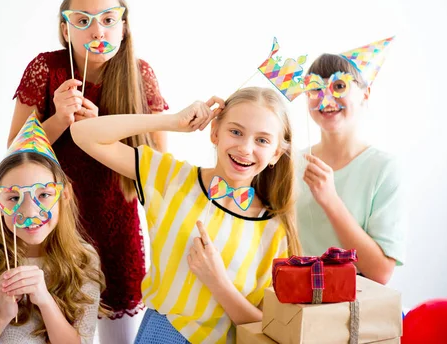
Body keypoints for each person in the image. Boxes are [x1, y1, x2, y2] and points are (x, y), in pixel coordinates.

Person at [8, 0, 168, 341]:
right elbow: (14, 154)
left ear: (123, 25)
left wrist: (103, 131)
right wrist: (59, 119)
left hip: (117, 222)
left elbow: (160, 166)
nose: (98, 31)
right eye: (83, 21)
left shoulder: (139, 74)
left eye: (108, 20)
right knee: (57, 328)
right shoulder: (46, 69)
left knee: (121, 334)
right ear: (66, 28)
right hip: (56, 225)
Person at [70, 87, 301, 344]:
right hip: (160, 336)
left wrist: (218, 283)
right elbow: (82, 134)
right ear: (215, 132)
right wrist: (171, 122)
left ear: (276, 154)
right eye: (235, 132)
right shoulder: (171, 177)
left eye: (262, 140)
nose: (246, 148)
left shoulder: (274, 230)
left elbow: (269, 327)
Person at [0, 113, 104, 343]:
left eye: (44, 194)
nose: (30, 212)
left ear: (64, 195)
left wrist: (44, 299)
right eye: (13, 198)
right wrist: (2, 316)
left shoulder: (83, 260)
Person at [298, 37, 406, 284]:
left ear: (365, 94)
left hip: (350, 312)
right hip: (293, 308)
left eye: (339, 86)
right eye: (315, 88)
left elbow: (380, 273)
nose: (326, 98)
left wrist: (329, 200)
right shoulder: (291, 163)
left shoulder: (384, 168)